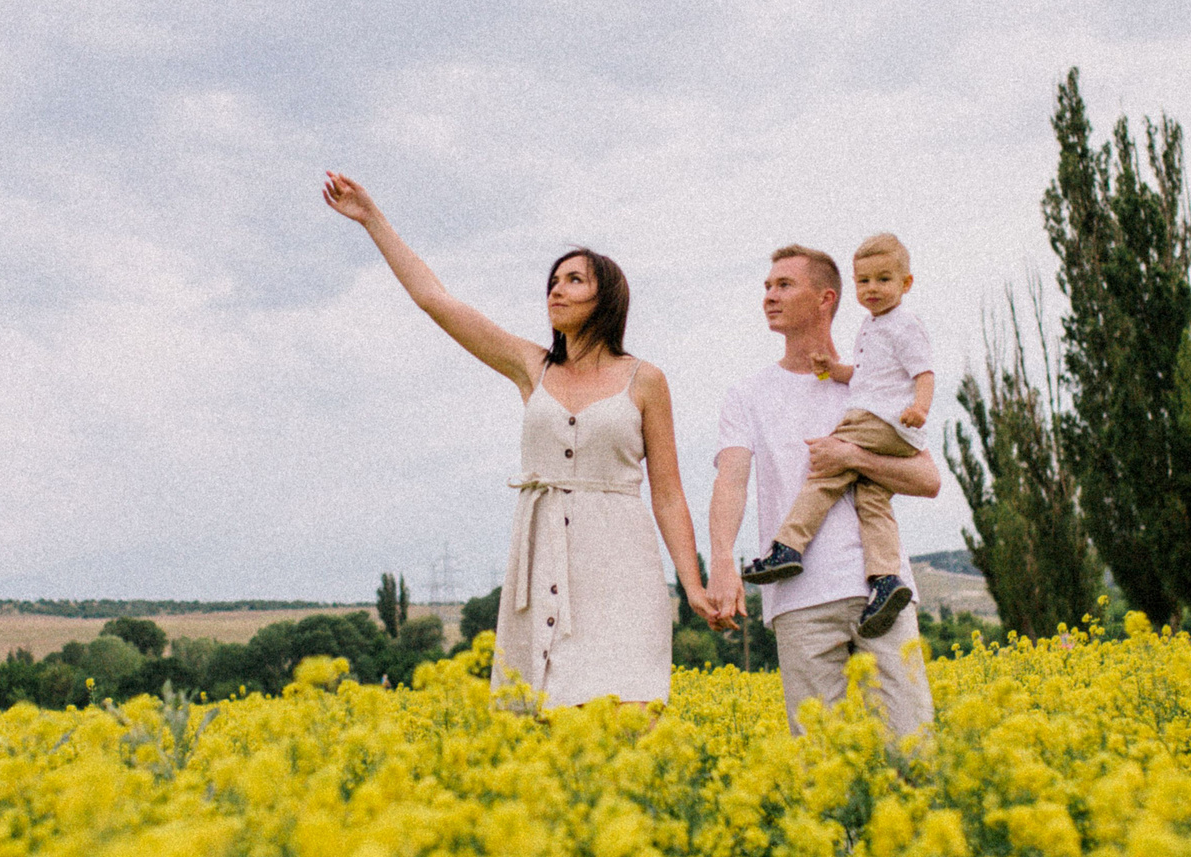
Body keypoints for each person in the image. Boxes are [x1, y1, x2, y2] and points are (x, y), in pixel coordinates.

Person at [323, 171, 716, 708]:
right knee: (545, 718)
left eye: (574, 280)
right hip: (542, 561)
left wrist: (692, 585)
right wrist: (372, 219)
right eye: (553, 280)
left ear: (607, 297)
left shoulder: (645, 380)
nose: (556, 289)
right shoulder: (532, 367)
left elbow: (668, 493)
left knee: (632, 712)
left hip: (622, 565)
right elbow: (435, 300)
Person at [708, 244, 941, 755]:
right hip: (799, 600)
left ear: (825, 298)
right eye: (767, 286)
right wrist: (722, 560)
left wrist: (851, 457)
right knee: (822, 765)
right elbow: (731, 481)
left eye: (784, 285)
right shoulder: (747, 394)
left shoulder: (871, 384)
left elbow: (928, 479)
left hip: (883, 593)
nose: (769, 296)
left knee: (913, 756)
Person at [738, 233, 934, 639]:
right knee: (872, 499)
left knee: (827, 468)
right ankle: (885, 579)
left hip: (882, 419)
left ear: (906, 283)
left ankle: (788, 546)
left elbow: (924, 371)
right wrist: (834, 369)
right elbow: (864, 377)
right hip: (890, 422)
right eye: (864, 281)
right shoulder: (873, 327)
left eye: (883, 280)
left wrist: (920, 408)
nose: (872, 289)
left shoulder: (903, 324)